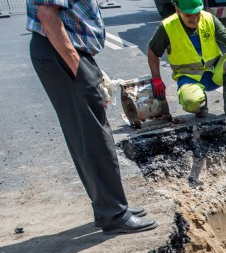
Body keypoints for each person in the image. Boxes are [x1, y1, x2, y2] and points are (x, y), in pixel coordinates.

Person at [27, 0, 157, 234]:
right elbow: (47, 14)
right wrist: (77, 66)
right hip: (62, 52)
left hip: (64, 51)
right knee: (94, 136)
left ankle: (109, 207)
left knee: (87, 134)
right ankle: (113, 214)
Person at [147, 0, 226, 117]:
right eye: (188, 15)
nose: (194, 19)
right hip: (189, 78)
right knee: (191, 103)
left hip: (214, 72)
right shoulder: (167, 27)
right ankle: (200, 104)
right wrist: (156, 78)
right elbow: (153, 51)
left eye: (197, 14)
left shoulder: (208, 18)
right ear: (178, 10)